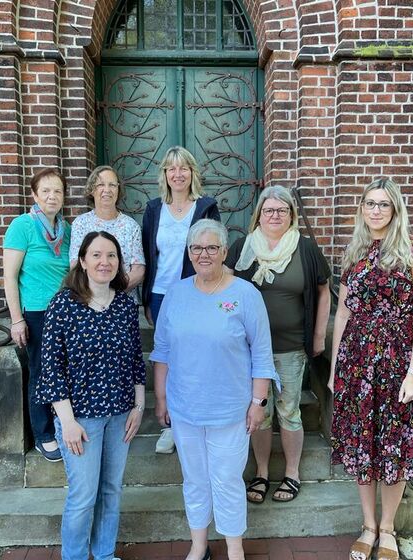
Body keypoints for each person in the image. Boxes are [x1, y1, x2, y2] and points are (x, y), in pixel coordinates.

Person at [151, 219, 279, 560]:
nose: (203, 254)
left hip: (230, 410)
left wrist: (258, 402)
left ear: (224, 252)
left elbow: (261, 353)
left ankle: (235, 548)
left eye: (211, 247)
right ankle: (199, 545)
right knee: (194, 479)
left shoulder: (245, 295)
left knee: (227, 480)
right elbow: (162, 350)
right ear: (189, 252)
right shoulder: (176, 294)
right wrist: (161, 398)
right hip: (184, 408)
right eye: (196, 248)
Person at [328, 178, 413, 560]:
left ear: (395, 209)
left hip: (397, 362)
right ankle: (368, 525)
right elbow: (343, 314)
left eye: (384, 204)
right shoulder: (354, 250)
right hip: (356, 363)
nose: (376, 210)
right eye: (370, 203)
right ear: (362, 208)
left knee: (395, 444)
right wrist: (334, 369)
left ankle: (387, 528)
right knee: (362, 443)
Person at [36, 231, 146, 560]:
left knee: (111, 491)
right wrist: (67, 422)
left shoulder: (125, 305)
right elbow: (51, 367)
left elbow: (135, 359)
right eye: (96, 255)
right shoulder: (63, 305)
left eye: (111, 255)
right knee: (84, 496)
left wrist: (139, 406)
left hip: (120, 414)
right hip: (81, 419)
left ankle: (105, 554)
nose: (104, 262)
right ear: (82, 261)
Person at [225, 185, 331, 503]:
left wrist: (318, 335)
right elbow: (223, 287)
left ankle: (292, 473)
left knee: (289, 411)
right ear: (259, 215)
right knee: (259, 411)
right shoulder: (242, 247)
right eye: (269, 210)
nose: (275, 216)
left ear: (291, 215)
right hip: (248, 350)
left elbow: (324, 290)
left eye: (282, 210)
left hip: (290, 347)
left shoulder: (305, 248)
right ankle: (261, 472)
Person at [142, 146, 220, 454]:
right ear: (164, 174)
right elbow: (149, 256)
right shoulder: (154, 209)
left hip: (195, 293)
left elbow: (216, 248)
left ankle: (197, 418)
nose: (178, 174)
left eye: (183, 168)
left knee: (195, 356)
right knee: (167, 358)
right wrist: (146, 297)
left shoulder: (206, 207)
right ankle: (170, 425)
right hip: (161, 295)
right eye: (171, 169)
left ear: (192, 173)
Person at [3, 167, 71, 462]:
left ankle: (63, 423)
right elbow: (9, 277)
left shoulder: (67, 230)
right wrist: (16, 320)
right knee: (42, 372)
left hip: (65, 312)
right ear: (34, 194)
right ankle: (44, 434)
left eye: (57, 191)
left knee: (65, 370)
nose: (52, 196)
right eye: (45, 191)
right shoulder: (23, 226)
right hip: (36, 313)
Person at [70, 165, 145, 301]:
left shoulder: (131, 226)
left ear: (118, 189)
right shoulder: (80, 224)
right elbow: (76, 265)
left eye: (112, 185)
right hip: (89, 300)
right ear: (92, 190)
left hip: (124, 300)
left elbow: (138, 270)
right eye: (100, 185)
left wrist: (112, 293)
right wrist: (97, 294)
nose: (107, 190)